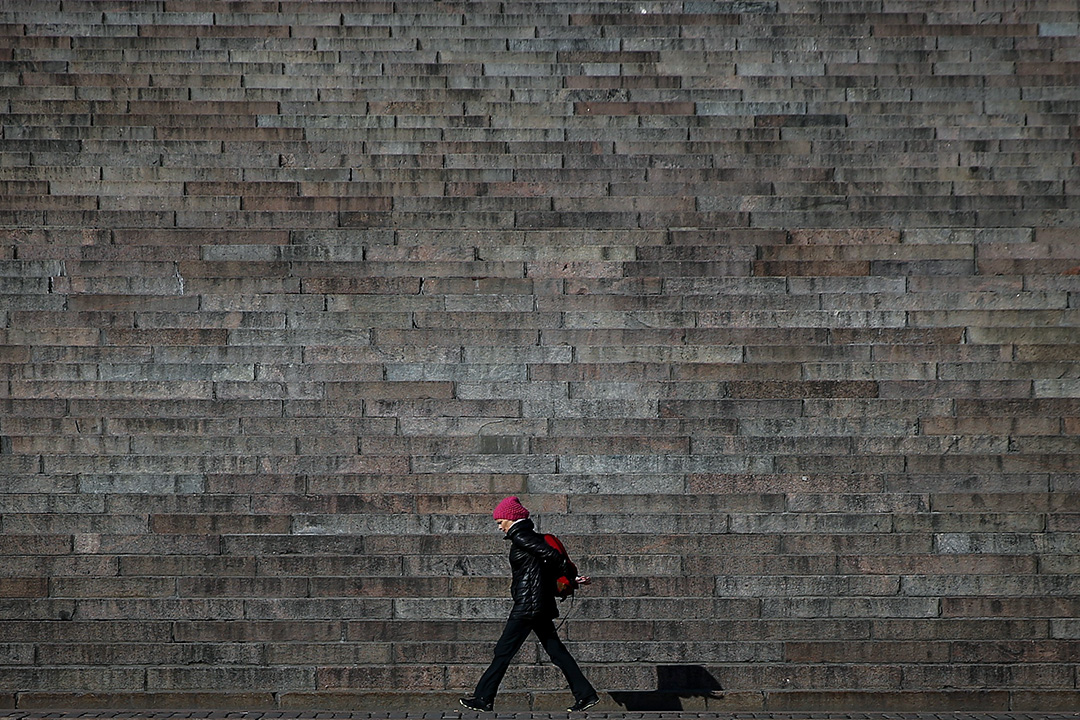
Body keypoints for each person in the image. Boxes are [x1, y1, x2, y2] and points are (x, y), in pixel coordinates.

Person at [460, 496, 600, 713]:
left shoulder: (520, 536)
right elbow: (543, 566)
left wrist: (568, 571)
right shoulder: (526, 536)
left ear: (510, 518)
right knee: (556, 651)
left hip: (528, 606)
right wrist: (571, 579)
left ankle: (483, 698)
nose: (499, 527)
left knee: (503, 651)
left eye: (500, 522)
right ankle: (586, 695)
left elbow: (551, 556)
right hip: (537, 604)